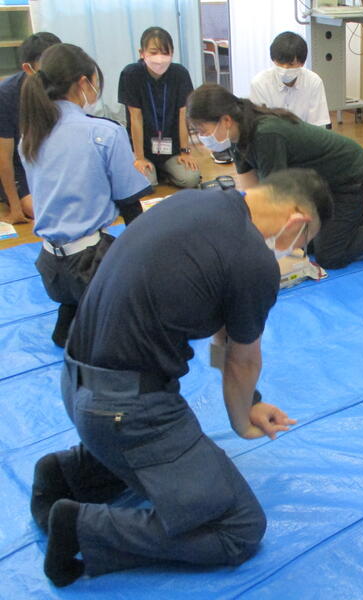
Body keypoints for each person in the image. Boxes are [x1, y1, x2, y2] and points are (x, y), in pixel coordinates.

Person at [29, 169, 333, 587]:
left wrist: (251, 400)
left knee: (167, 460)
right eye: (303, 242)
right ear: (297, 221)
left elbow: (224, 335)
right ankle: (82, 529)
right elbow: (242, 361)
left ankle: (70, 473)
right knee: (239, 527)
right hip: (123, 411)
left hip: (75, 383)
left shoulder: (196, 201)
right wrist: (241, 421)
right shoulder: (252, 259)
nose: (296, 251)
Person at [187, 83, 363, 269]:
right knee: (305, 244)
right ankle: (361, 217)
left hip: (349, 177)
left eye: (203, 130)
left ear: (226, 120)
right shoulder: (237, 137)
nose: (203, 138)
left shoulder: (265, 135)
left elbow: (278, 201)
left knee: (329, 256)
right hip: (320, 183)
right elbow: (252, 196)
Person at [19, 43, 151, 347]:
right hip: (89, 266)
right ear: (83, 82)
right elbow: (130, 205)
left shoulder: (31, 135)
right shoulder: (104, 133)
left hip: (49, 268)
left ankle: (71, 316)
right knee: (143, 313)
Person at [118, 27, 200, 188]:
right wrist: (139, 158)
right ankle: (158, 171)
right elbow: (135, 118)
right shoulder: (131, 74)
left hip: (172, 148)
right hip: (142, 148)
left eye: (165, 52)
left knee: (191, 178)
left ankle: (165, 170)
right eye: (154, 52)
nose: (159, 58)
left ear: (172, 53)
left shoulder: (180, 74)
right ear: (142, 53)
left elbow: (183, 115)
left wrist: (185, 152)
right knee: (145, 183)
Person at [0, 32, 61, 224]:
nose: (55, 72)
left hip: (50, 159)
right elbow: (4, 157)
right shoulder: (6, 95)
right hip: (18, 165)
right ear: (28, 68)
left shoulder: (63, 86)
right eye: (47, 65)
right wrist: (15, 208)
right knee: (38, 210)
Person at [249, 31, 330, 127]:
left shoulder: (313, 82)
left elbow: (318, 124)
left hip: (304, 134)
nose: (285, 68)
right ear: (273, 60)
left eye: (291, 64)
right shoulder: (259, 84)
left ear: (302, 63)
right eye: (280, 63)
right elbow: (259, 125)